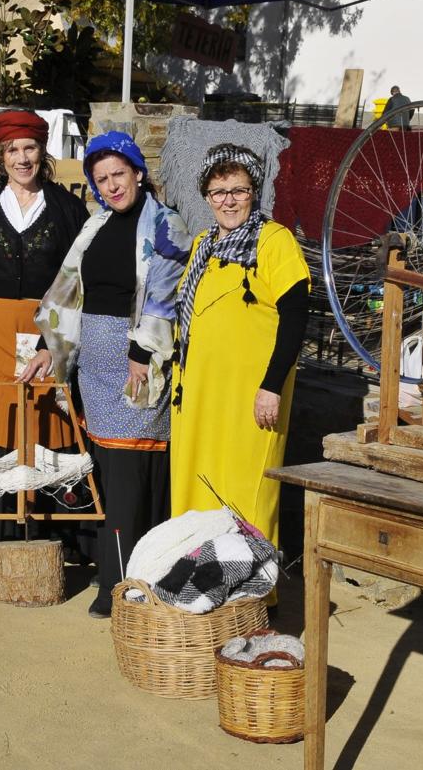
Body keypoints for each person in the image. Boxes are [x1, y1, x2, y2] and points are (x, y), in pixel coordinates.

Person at [31, 131, 191, 618]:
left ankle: (125, 586)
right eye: (101, 179)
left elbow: (166, 293)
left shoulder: (167, 224)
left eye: (118, 174)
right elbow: (67, 289)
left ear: (139, 173)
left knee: (131, 474)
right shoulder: (95, 225)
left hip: (137, 363)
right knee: (105, 471)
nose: (111, 185)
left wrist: (142, 351)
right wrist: (48, 346)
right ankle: (114, 575)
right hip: (93, 368)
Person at [0, 109, 88, 571]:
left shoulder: (67, 208)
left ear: (42, 153)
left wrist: (59, 339)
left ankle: (44, 530)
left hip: (44, 329)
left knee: (45, 419)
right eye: (12, 150)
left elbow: (79, 280)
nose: (22, 158)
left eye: (29, 148)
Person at [169, 144, 310, 601]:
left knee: (247, 500)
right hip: (200, 401)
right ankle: (201, 596)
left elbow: (296, 316)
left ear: (255, 191)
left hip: (251, 401)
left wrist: (272, 385)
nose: (228, 200)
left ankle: (250, 600)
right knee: (198, 498)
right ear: (206, 196)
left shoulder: (274, 241)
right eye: (218, 191)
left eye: (238, 190)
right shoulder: (203, 246)